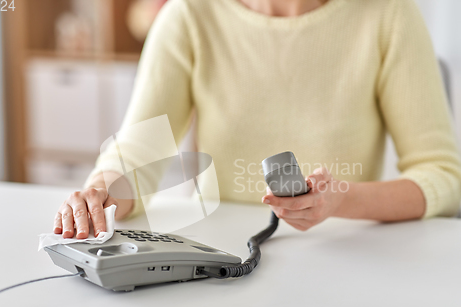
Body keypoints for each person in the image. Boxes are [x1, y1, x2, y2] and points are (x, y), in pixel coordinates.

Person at [53, 0, 461, 238]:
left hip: (347, 254)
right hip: (219, 261)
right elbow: (137, 157)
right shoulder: (189, 15)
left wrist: (342, 199)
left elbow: (443, 175)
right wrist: (99, 194)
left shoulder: (389, 14)